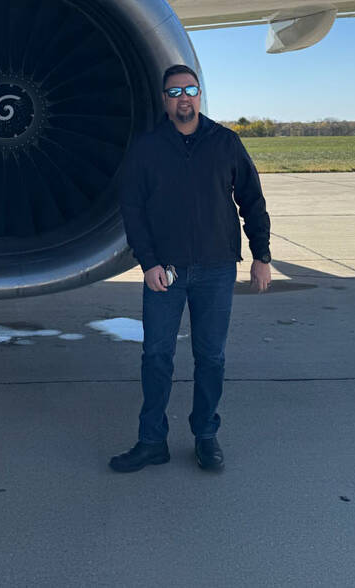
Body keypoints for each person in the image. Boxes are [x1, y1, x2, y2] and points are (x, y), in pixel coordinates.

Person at [109, 64, 272, 473]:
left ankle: (205, 436)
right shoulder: (147, 148)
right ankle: (151, 442)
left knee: (211, 358)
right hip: (166, 272)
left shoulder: (226, 143)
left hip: (217, 270)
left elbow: (252, 200)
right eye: (175, 91)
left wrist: (262, 256)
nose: (184, 97)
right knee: (156, 356)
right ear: (164, 100)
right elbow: (133, 209)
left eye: (191, 89)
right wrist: (147, 263)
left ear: (201, 95)